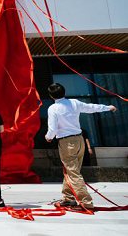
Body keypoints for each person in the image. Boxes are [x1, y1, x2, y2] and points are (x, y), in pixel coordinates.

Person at [45, 83, 116, 211]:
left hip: (67, 143)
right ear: (64, 92)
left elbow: (53, 128)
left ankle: (86, 202)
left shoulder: (53, 108)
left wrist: (48, 137)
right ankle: (68, 198)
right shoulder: (74, 102)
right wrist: (108, 107)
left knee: (73, 173)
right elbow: (91, 107)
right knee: (71, 170)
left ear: (51, 96)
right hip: (79, 139)